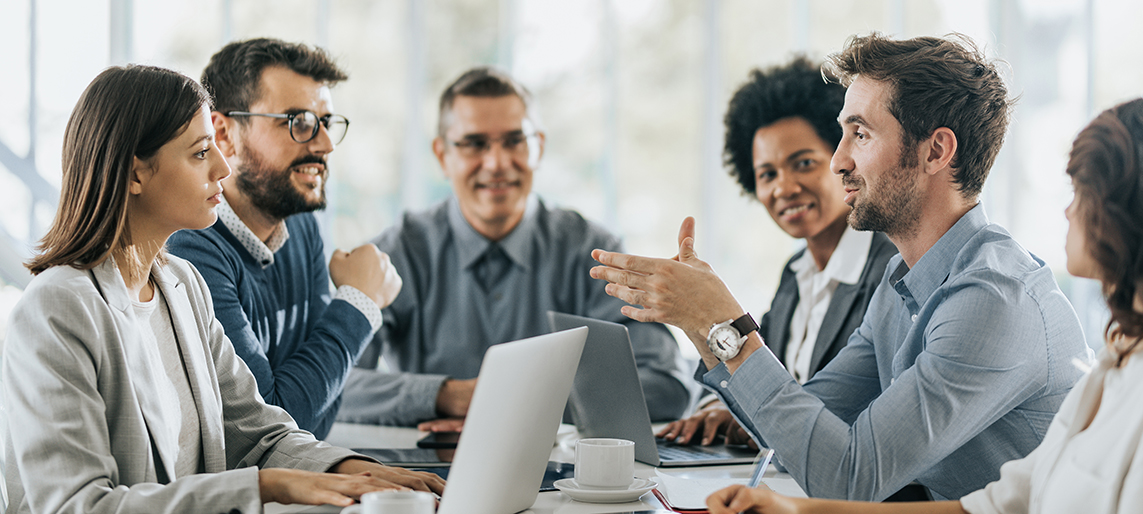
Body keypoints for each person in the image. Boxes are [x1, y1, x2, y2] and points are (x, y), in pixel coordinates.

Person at [591, 33, 1092, 501]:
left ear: (936, 151)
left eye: (860, 134)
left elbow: (851, 478)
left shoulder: (993, 301)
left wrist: (726, 324)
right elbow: (791, 432)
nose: (838, 161)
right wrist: (701, 321)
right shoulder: (901, 282)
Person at [705, 95, 1143, 514]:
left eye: (1083, 191)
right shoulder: (1122, 361)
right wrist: (800, 510)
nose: (1068, 210)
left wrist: (718, 323)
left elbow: (850, 472)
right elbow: (991, 506)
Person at [3, 65, 442, 514]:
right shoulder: (57, 309)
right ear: (134, 175)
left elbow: (258, 434)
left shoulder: (183, 286)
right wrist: (266, 485)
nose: (222, 166)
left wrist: (354, 471)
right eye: (199, 153)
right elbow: (77, 506)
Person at [336, 67, 690, 429]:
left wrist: (507, 405)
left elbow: (667, 385)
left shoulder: (593, 251)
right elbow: (333, 383)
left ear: (539, 147)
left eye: (514, 141)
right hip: (426, 463)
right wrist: (450, 396)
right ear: (442, 156)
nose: (497, 163)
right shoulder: (399, 253)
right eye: (475, 143)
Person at [656, 56, 898, 450]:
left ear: (843, 160)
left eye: (803, 163)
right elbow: (759, 376)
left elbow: (849, 412)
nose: (784, 188)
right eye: (767, 174)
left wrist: (713, 312)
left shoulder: (891, 269)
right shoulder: (796, 273)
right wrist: (718, 406)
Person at [168, 38, 401, 440]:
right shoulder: (191, 249)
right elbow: (273, 425)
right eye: (299, 122)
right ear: (223, 133)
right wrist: (358, 303)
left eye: (326, 122)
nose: (325, 144)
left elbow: (319, 412)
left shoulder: (302, 225)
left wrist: (308, 390)